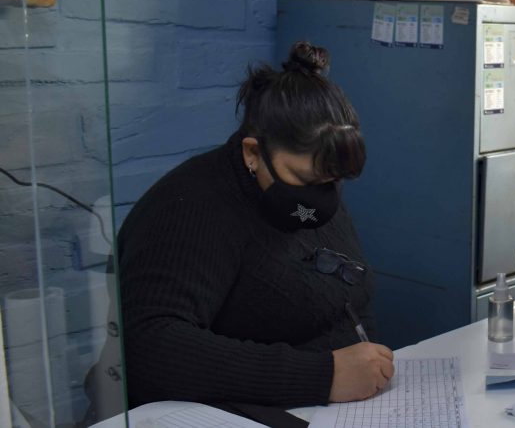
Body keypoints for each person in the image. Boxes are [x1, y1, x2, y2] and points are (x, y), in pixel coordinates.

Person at [96, 42, 394, 412]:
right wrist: (321, 376)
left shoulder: (306, 195)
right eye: (306, 179)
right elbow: (148, 346)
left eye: (332, 181)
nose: (320, 197)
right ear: (253, 153)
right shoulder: (189, 207)